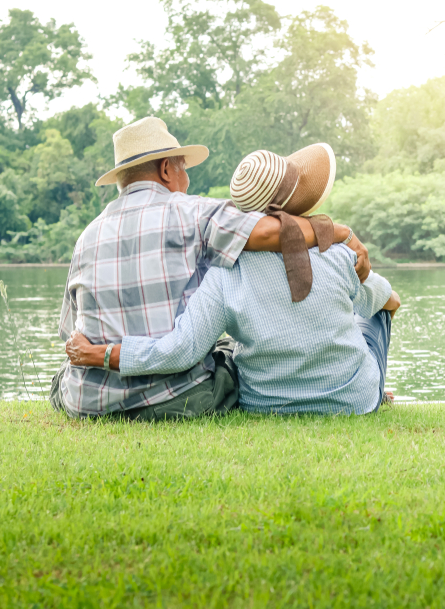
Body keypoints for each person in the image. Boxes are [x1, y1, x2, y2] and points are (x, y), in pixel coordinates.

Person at [52, 117, 370, 420]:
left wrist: (101, 356)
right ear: (166, 169)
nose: (187, 180)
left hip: (90, 401)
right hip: (178, 398)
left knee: (59, 382)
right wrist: (339, 232)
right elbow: (267, 232)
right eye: (184, 169)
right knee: (226, 349)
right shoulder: (195, 213)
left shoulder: (86, 236)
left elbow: (71, 335)